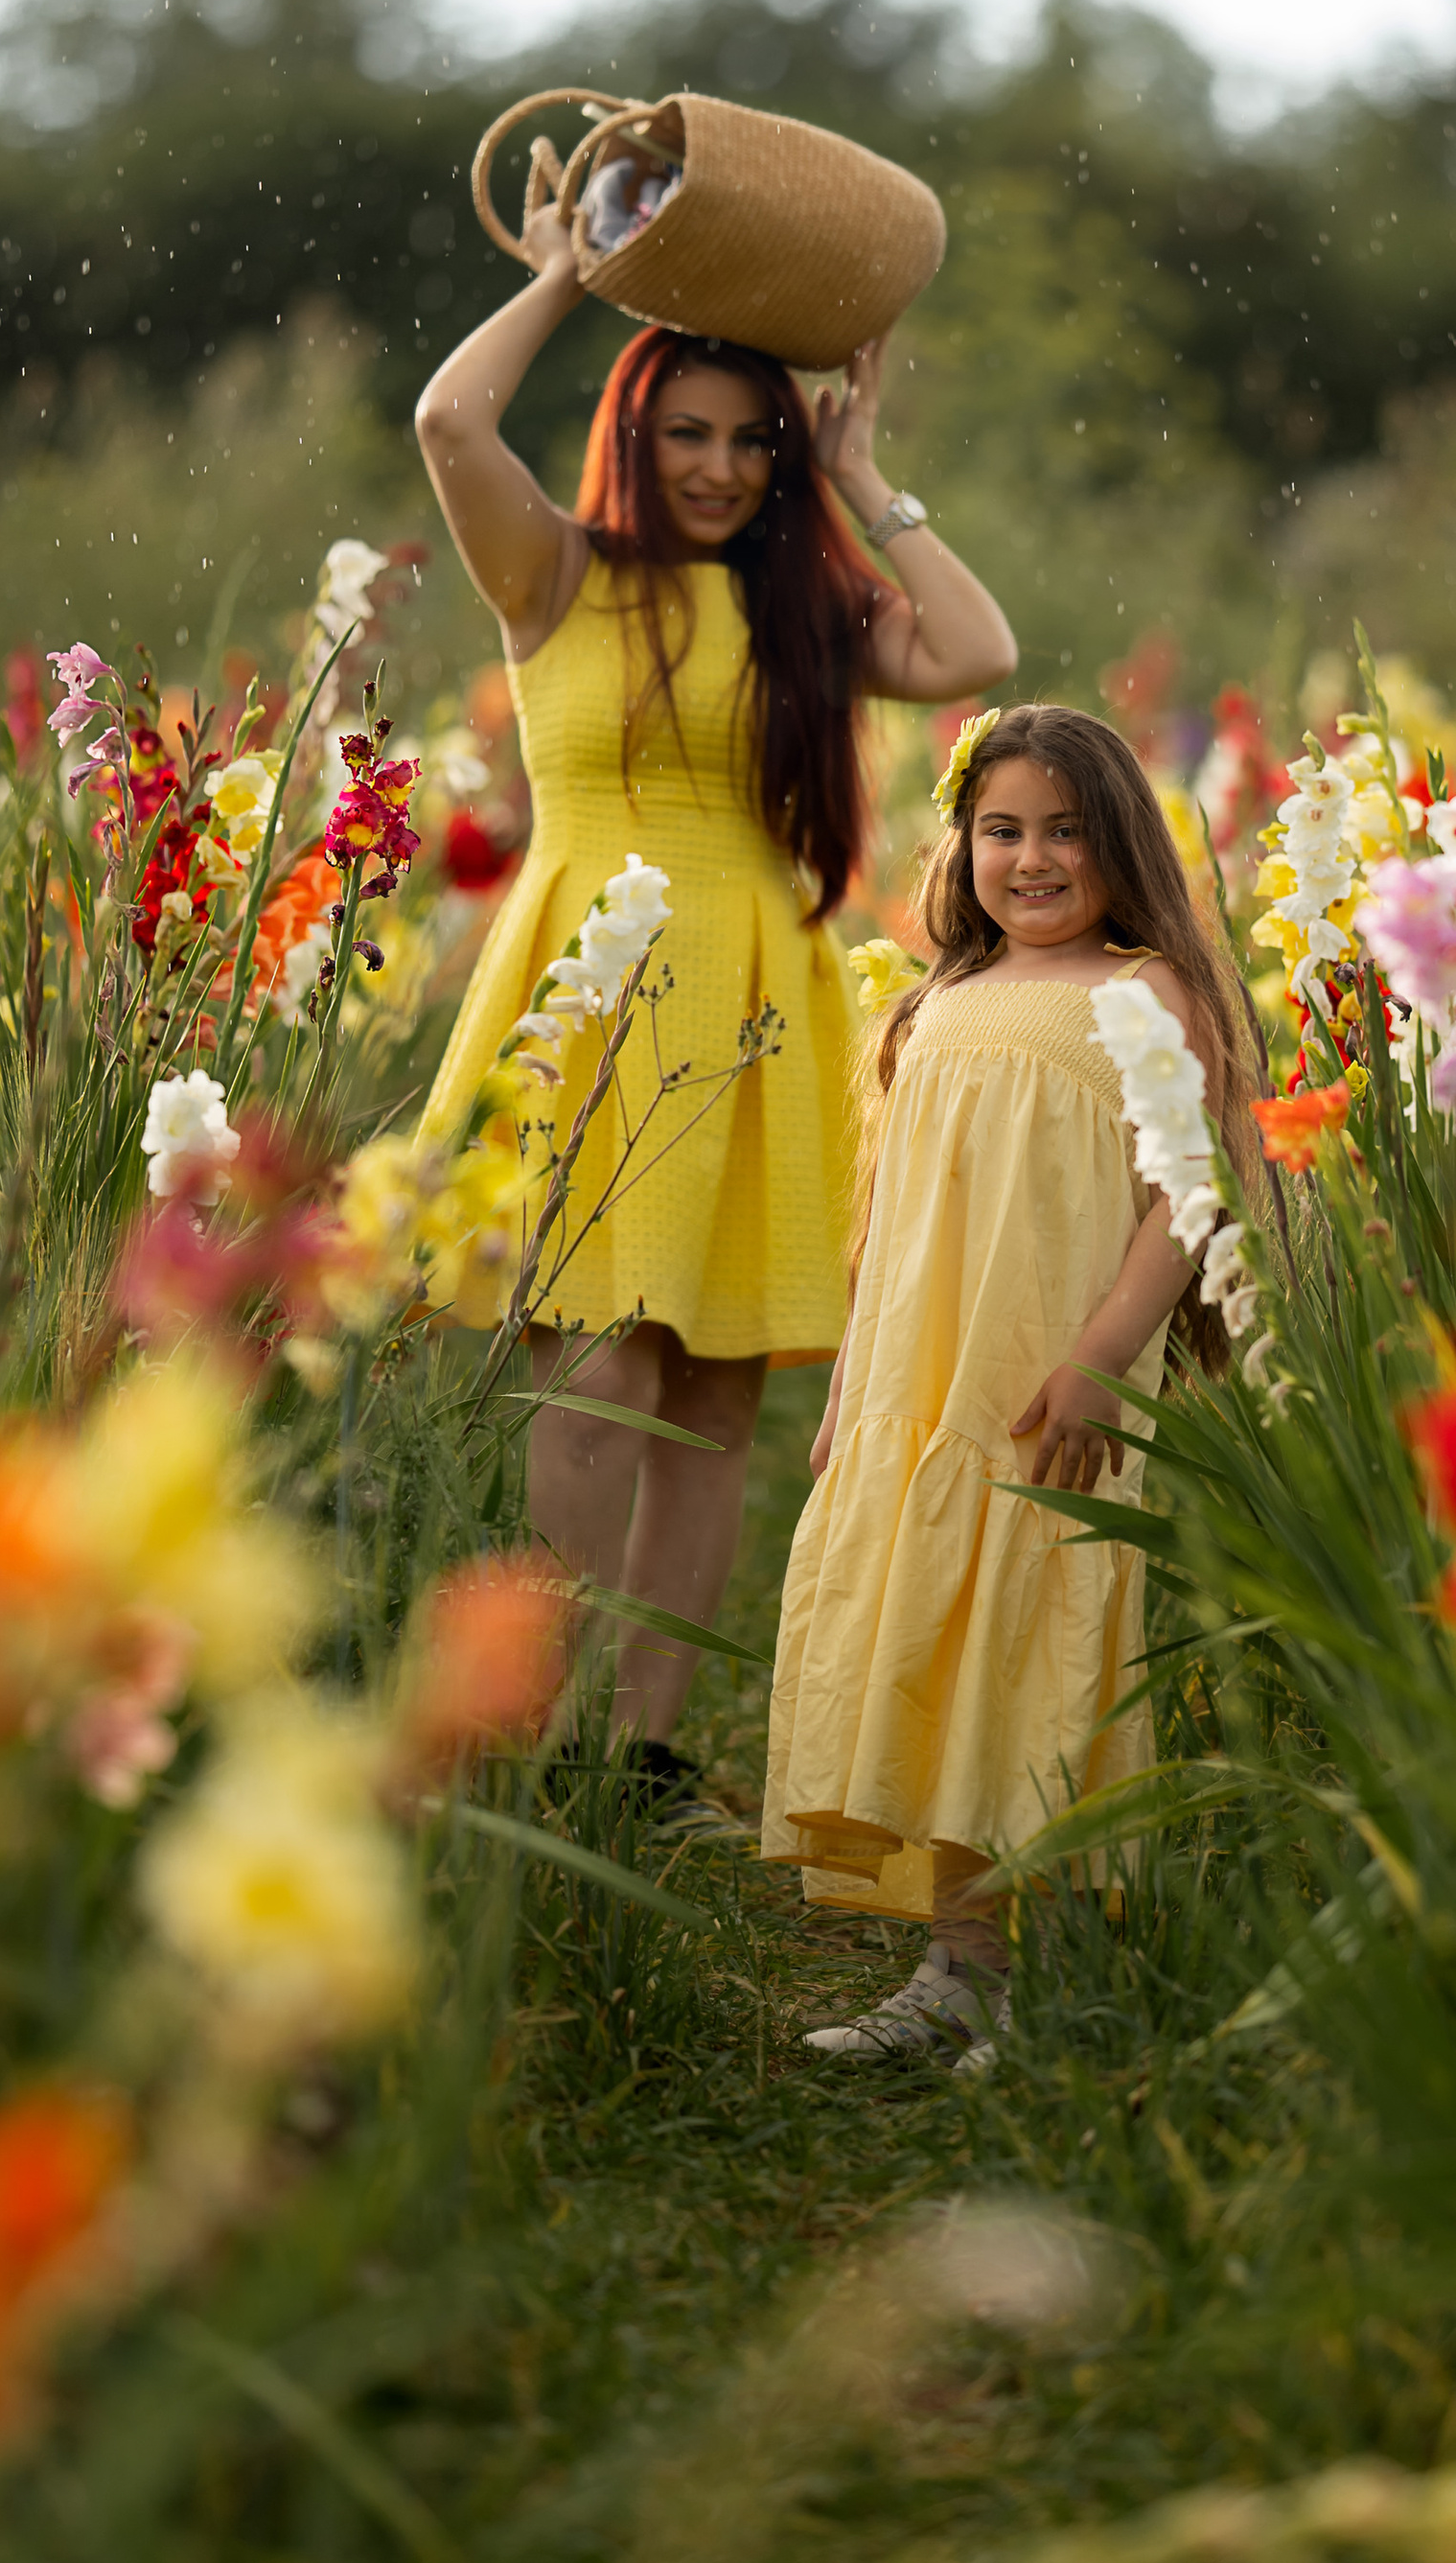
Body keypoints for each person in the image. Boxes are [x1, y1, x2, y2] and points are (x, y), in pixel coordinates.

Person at [411, 194, 1018, 1789]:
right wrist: (558, 275)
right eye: (687, 432)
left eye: (754, 443)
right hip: (589, 989)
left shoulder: (803, 612)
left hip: (758, 993)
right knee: (597, 1365)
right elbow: (448, 416)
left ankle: (647, 1753)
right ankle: (526, 1726)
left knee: (709, 1389)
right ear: (638, 430)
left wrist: (868, 471)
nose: (718, 467)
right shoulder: (551, 573)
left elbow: (975, 647)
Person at [763, 703, 1261, 2067]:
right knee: (937, 1649)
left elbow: (1189, 1188)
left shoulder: (1148, 989)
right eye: (1002, 831)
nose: (1032, 859)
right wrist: (854, 1385)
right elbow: (896, 1217)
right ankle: (960, 1964)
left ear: (1119, 847)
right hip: (924, 1393)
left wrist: (1106, 1351)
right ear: (962, 843)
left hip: (1050, 1384)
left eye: (1064, 832)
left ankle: (1066, 1970)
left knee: (1039, 1647)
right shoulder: (936, 1002)